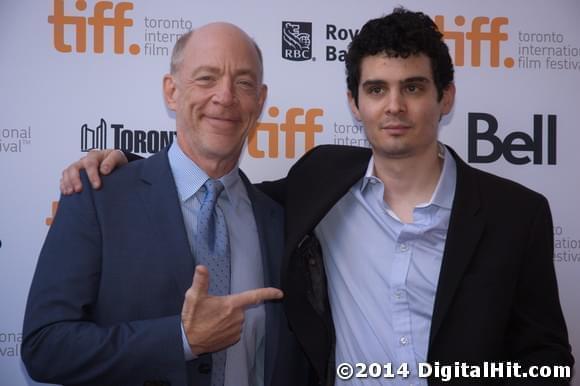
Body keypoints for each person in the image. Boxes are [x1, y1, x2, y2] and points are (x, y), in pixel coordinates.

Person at [58, 8, 574, 386]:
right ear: (354, 102)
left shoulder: (516, 213)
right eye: (376, 89)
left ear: (446, 97)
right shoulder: (319, 182)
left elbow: (548, 361)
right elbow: (209, 188)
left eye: (413, 87)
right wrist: (123, 164)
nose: (394, 106)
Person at [22, 23, 310, 386]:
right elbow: (45, 347)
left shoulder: (280, 219)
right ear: (171, 92)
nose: (225, 96)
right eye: (206, 78)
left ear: (260, 100)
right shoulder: (98, 196)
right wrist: (181, 339)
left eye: (244, 83)